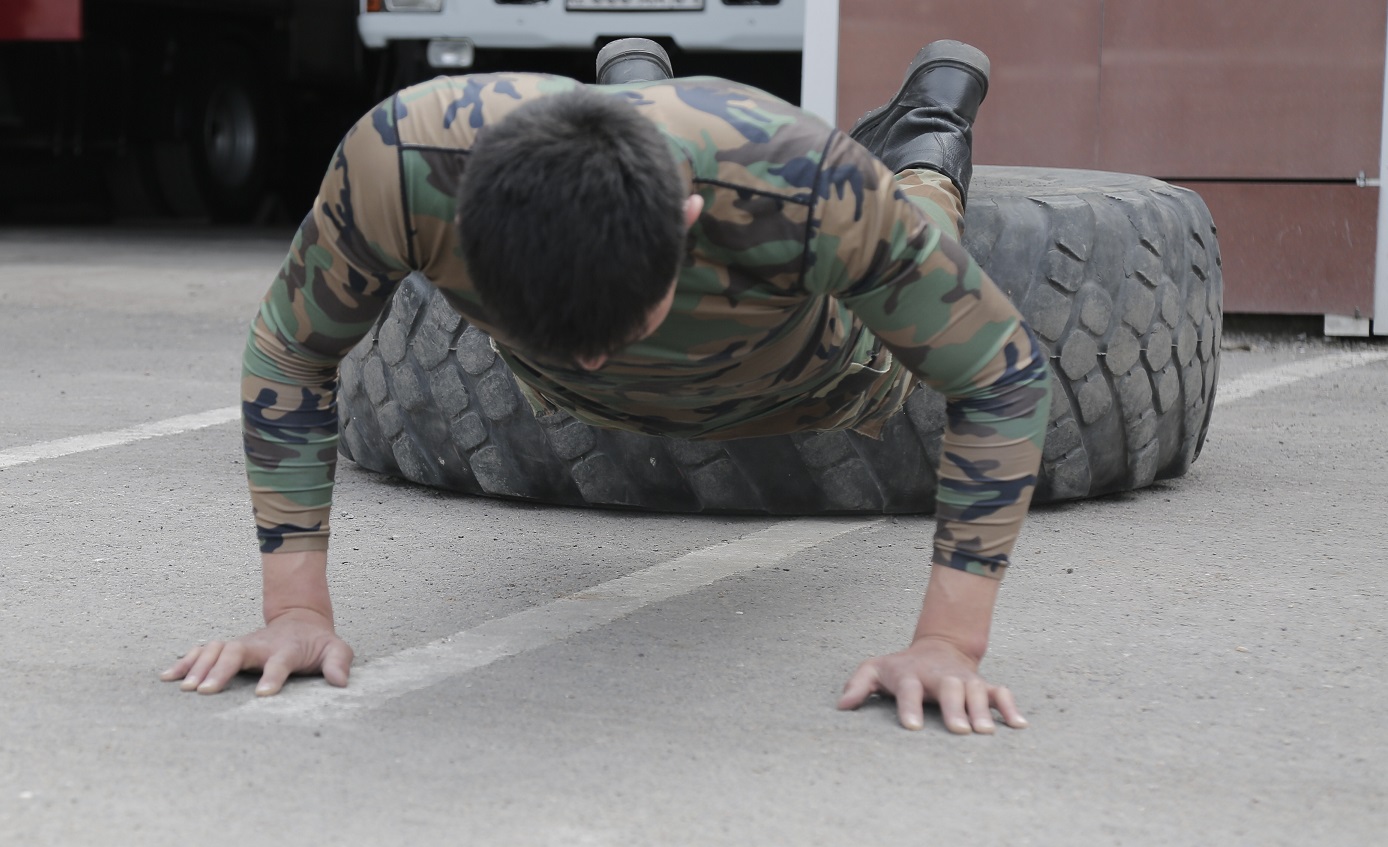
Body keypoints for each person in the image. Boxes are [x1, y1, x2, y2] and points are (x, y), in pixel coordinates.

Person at [162, 38, 1052, 735]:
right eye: (568, 339)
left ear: (688, 221)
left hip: (816, 373)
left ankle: (932, 121)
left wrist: (948, 641)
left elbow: (1001, 376)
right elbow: (291, 351)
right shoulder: (402, 167)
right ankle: (632, 85)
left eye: (619, 329)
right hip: (580, 323)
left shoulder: (803, 186)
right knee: (618, 197)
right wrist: (294, 611)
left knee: (925, 217)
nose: (595, 361)